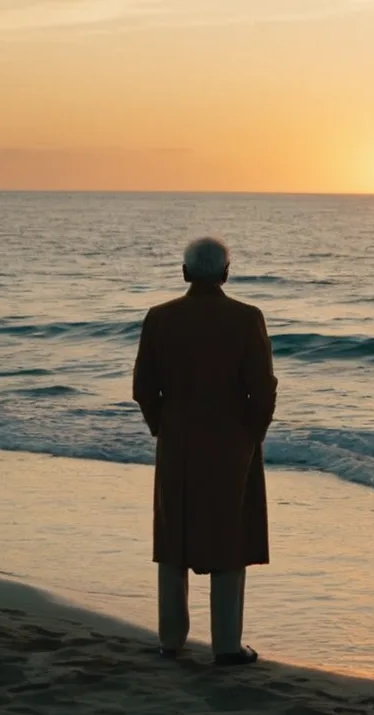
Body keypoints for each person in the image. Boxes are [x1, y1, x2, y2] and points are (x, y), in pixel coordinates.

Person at [132, 237, 278, 666]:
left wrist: (163, 425)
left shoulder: (160, 318)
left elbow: (144, 388)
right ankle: (227, 645)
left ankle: (171, 639)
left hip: (178, 440)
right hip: (233, 442)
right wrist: (252, 434)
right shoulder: (247, 318)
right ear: (226, 274)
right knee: (229, 537)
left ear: (184, 272)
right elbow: (262, 389)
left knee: (174, 536)